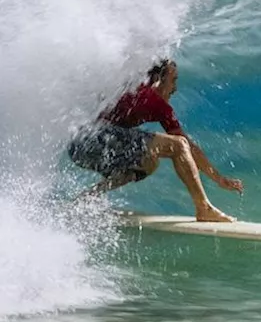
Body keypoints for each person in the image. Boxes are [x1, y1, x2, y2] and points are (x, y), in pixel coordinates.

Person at [67, 59, 243, 222]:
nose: (175, 88)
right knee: (178, 145)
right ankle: (203, 207)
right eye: (173, 80)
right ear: (158, 78)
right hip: (93, 138)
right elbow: (184, 145)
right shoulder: (151, 100)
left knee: (147, 163)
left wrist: (218, 178)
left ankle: (87, 198)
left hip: (78, 147)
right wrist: (218, 178)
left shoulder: (132, 89)